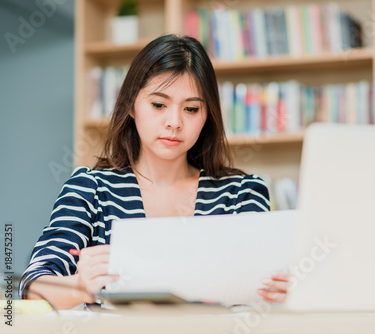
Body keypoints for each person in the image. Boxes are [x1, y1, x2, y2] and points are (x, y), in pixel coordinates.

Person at [19, 34, 288, 309]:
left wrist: (283, 290)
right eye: (159, 105)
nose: (174, 122)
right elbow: (32, 288)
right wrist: (79, 285)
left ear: (208, 116)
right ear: (130, 106)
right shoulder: (91, 189)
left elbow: (263, 292)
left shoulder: (241, 193)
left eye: (191, 109)